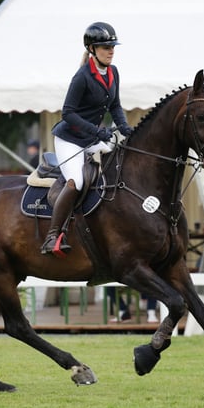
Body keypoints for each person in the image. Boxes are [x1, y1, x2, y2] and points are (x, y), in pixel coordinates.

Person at [40, 21, 133, 256]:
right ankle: (52, 236)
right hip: (70, 139)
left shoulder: (113, 72)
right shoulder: (82, 77)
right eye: (106, 47)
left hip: (92, 138)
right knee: (77, 182)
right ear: (92, 49)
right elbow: (67, 113)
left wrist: (124, 126)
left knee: (116, 168)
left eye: (113, 47)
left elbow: (115, 105)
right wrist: (96, 131)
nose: (111, 51)